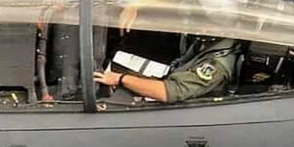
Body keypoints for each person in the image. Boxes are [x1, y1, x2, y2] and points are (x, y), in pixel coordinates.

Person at [94, 35, 241, 103]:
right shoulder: (210, 42)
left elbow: (168, 92)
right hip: (173, 75)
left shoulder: (216, 65)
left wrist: (121, 79)